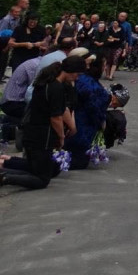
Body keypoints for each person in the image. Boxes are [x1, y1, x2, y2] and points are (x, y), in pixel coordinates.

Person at [0, 55, 84, 190]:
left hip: (31, 131)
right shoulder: (56, 88)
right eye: (77, 74)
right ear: (71, 71)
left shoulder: (44, 82)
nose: (77, 78)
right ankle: (6, 178)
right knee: (42, 178)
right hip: (43, 135)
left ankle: (7, 163)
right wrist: (61, 137)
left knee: (35, 166)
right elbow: (55, 117)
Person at [0, 39, 78, 123]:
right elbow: (36, 87)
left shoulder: (37, 62)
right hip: (14, 102)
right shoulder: (36, 66)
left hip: (16, 100)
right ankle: (9, 125)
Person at [66, 55, 112, 170]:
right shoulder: (89, 84)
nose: (104, 67)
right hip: (82, 124)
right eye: (103, 65)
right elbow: (94, 107)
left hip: (78, 120)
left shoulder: (84, 80)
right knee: (79, 160)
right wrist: (101, 120)